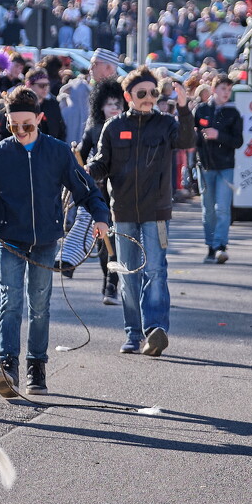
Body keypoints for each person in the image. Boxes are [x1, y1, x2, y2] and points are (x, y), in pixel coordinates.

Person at [0, 86, 110, 397]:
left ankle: (36, 365)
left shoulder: (58, 152)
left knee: (40, 305)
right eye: (13, 125)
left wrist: (101, 217)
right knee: (10, 301)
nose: (20, 131)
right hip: (10, 238)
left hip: (45, 240)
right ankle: (7, 366)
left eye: (27, 125)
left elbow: (87, 191)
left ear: (40, 119)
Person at [88, 66, 194, 356]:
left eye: (153, 93)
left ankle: (155, 330)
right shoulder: (113, 127)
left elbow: (187, 141)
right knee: (128, 275)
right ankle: (133, 334)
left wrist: (184, 107)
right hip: (122, 213)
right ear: (128, 96)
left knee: (156, 271)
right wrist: (85, 170)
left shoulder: (166, 123)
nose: (149, 98)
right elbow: (101, 164)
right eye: (142, 94)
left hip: (157, 211)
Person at [77, 78, 125, 304]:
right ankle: (109, 282)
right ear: (100, 106)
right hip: (100, 195)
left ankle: (113, 285)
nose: (114, 108)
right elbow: (79, 161)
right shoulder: (93, 130)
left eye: (118, 103)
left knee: (119, 240)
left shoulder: (129, 127)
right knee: (104, 242)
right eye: (109, 103)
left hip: (124, 192)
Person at [193, 75, 243, 264]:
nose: (226, 93)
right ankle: (210, 246)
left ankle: (220, 245)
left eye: (229, 90)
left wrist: (218, 135)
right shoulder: (201, 110)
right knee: (208, 209)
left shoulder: (233, 113)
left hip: (225, 166)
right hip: (205, 165)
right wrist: (197, 136)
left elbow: (238, 141)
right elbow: (192, 136)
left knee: (222, 208)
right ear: (214, 90)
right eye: (223, 89)